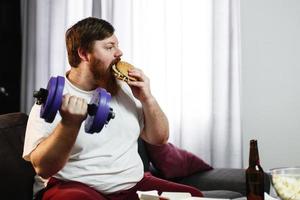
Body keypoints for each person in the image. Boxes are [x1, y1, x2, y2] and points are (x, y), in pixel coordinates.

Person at [23, 17, 203, 200]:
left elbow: (159, 138)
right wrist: (69, 124)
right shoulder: (51, 102)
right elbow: (43, 168)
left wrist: (147, 97)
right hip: (76, 187)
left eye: (116, 45)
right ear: (84, 54)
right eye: (109, 47)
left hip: (134, 185)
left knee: (192, 196)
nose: (119, 52)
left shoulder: (123, 88)